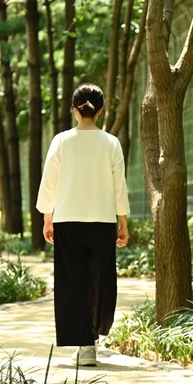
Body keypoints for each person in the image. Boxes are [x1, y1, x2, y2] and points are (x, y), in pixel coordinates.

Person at [36, 84, 130, 367]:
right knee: (100, 281)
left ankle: (85, 345)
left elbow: (49, 182)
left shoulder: (61, 141)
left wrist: (47, 217)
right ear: (100, 110)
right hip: (102, 221)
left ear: (74, 109)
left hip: (68, 220)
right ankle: (94, 335)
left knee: (71, 283)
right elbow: (119, 186)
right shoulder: (110, 142)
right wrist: (122, 223)